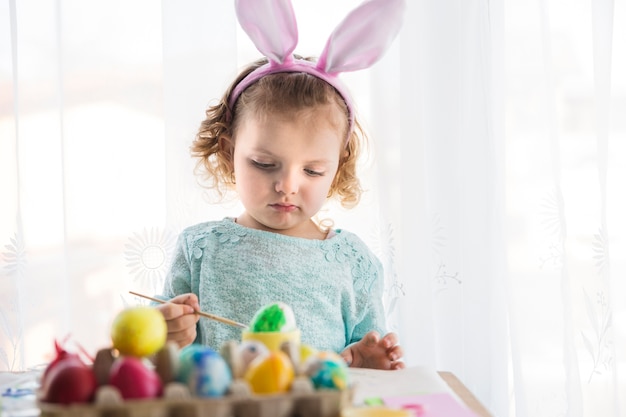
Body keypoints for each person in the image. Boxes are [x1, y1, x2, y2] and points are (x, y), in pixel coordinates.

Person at [156, 0, 405, 370]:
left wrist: (367, 362)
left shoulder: (354, 265)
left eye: (313, 171)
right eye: (264, 164)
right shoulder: (200, 250)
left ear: (337, 169)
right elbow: (157, 354)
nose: (287, 186)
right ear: (228, 153)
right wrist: (166, 332)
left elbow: (363, 363)